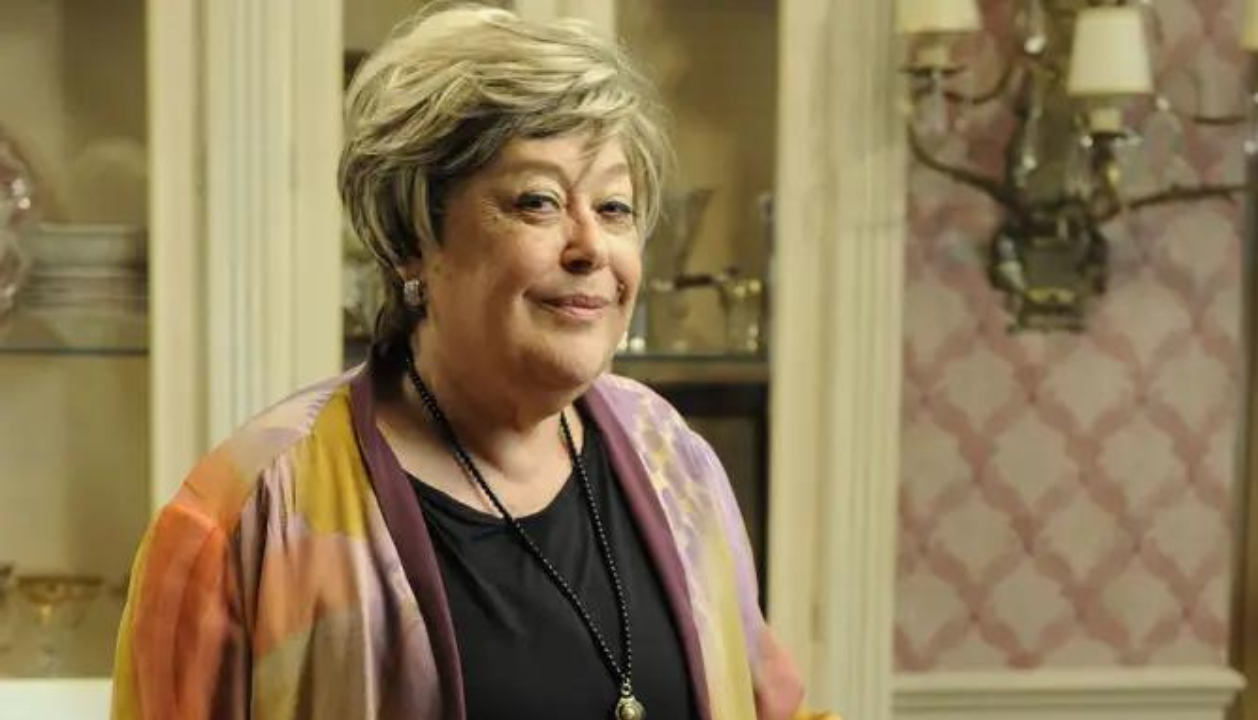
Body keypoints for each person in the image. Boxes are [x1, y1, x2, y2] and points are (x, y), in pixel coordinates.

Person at [112, 5, 825, 719]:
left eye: (614, 208)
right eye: (538, 202)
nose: (590, 247)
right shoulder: (252, 512)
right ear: (411, 240)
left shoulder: (672, 458)